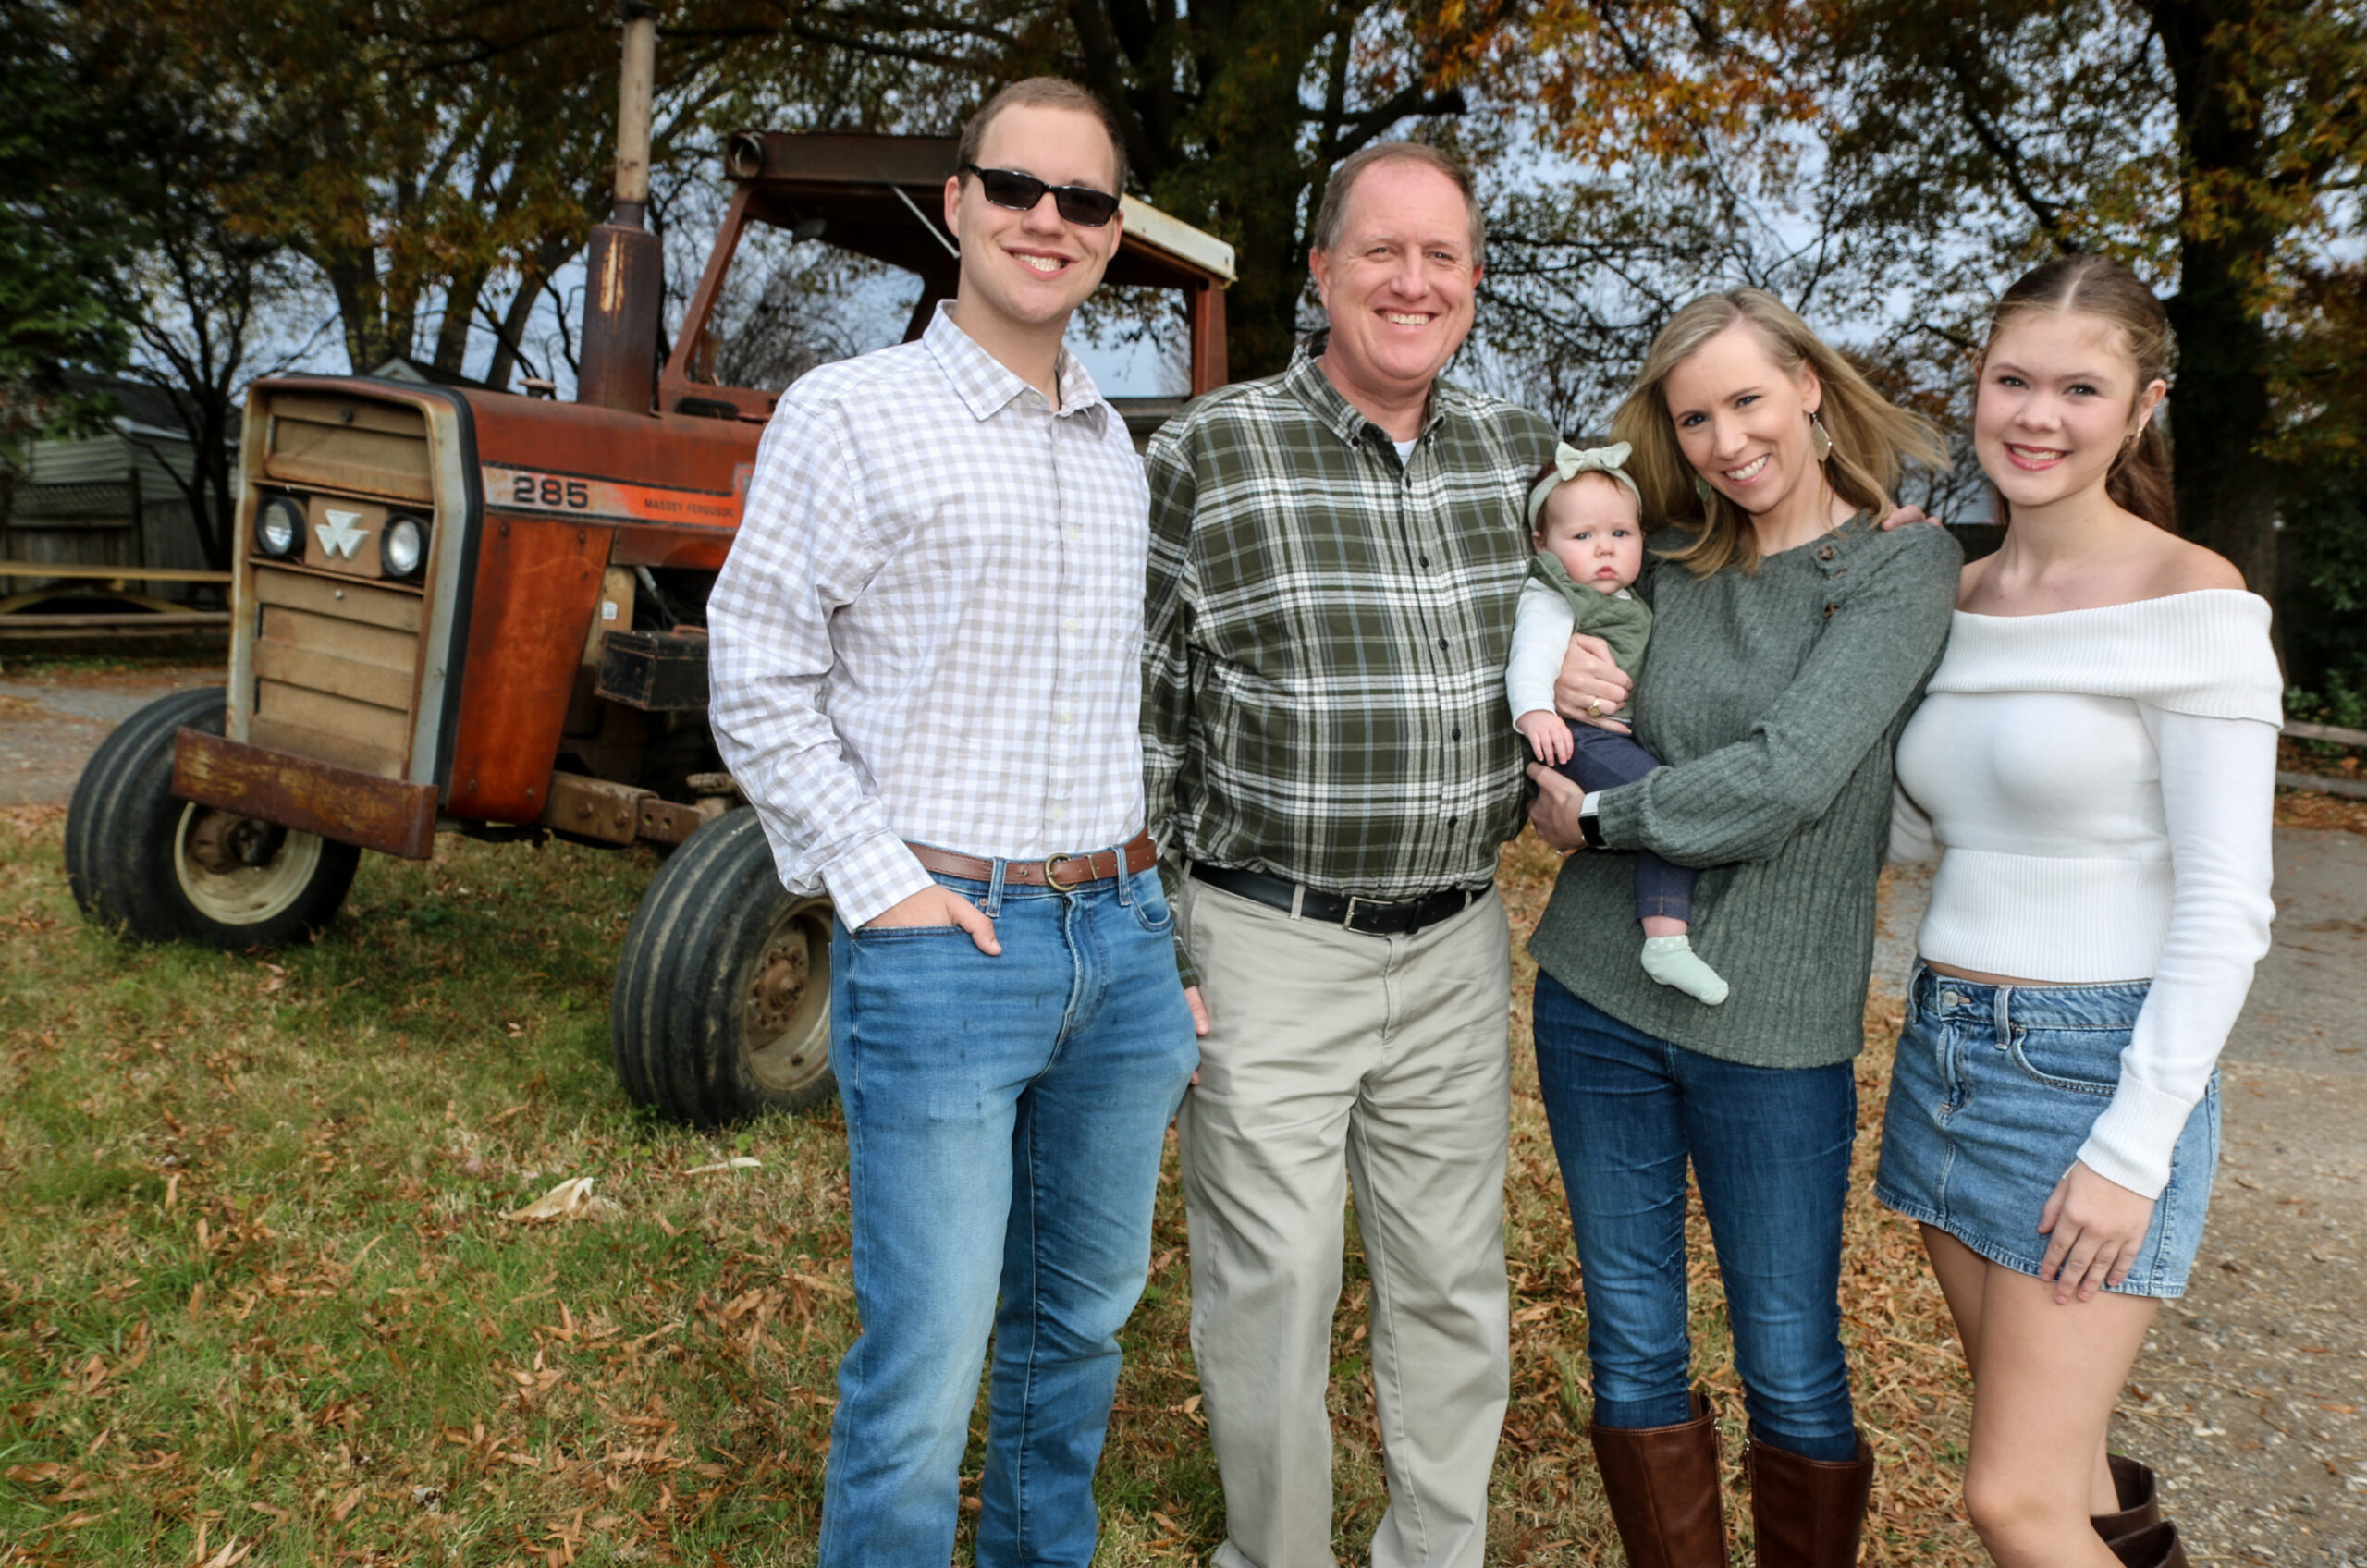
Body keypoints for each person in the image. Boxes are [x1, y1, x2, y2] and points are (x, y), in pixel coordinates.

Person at [705, 80, 1198, 1568]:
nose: (1051, 220)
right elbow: (757, 671)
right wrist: (881, 888)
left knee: (1076, 1339)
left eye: (1087, 201)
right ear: (962, 202)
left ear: (1114, 237)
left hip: (1114, 945)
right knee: (922, 1364)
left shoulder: (1119, 452)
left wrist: (1150, 919)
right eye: (1019, 188)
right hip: (946, 943)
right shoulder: (851, 414)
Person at [1140, 141, 1559, 1568]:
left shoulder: (1521, 459)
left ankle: (1432, 1554)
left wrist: (1850, 515)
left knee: (1452, 1281)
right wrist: (1161, 944)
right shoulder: (1210, 449)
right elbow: (1145, 718)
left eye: (1442, 258)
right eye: (1382, 251)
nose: (1412, 281)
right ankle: (1278, 1552)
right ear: (1320, 272)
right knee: (1274, 1284)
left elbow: (1655, 564)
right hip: (1268, 934)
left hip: (1455, 939)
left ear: (1477, 286)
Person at [1525, 288, 1960, 1567]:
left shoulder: (1898, 562)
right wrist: (1553, 676)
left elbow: (1788, 776)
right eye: (1694, 417)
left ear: (1812, 388)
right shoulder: (1657, 565)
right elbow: (1563, 737)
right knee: (1636, 1342)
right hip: (1598, 995)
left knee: (1789, 1353)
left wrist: (1605, 823)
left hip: (1774, 1025)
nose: (1725, 441)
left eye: (1747, 401)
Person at [1876, 256, 2277, 1568]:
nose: (2037, 416)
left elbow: (2229, 908)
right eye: (2012, 380)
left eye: (2079, 388)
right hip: (1945, 1052)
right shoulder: (1955, 593)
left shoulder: (2195, 601)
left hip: (2089, 1073)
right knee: (2072, 1464)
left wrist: (2133, 1144)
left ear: (2142, 407)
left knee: (2017, 1498)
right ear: (1977, 388)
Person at [1508, 439, 1730, 1006]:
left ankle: (1660, 929)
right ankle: (1666, 941)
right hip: (1572, 736)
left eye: (1620, 535)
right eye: (1582, 537)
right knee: (1659, 800)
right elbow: (1531, 656)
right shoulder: (1556, 595)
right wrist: (1536, 710)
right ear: (1544, 544)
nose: (1604, 550)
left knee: (1659, 808)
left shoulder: (1634, 594)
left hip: (1610, 733)